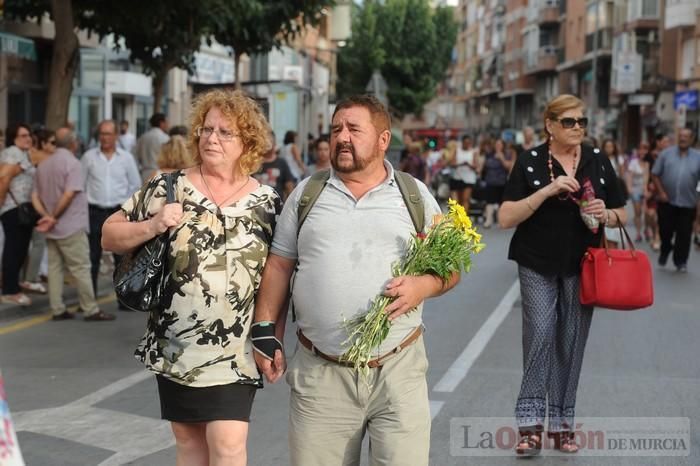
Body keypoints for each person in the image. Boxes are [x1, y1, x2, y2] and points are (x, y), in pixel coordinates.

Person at [253, 95, 459, 466]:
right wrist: (265, 329)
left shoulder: (413, 195)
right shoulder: (307, 194)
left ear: (383, 140)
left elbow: (452, 266)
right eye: (336, 130)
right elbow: (280, 265)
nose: (342, 137)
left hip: (398, 372)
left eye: (353, 129)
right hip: (321, 374)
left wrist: (423, 286)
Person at [102, 88, 280, 466]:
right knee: (189, 446)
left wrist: (271, 336)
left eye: (224, 132)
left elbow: (277, 276)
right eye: (206, 129)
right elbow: (109, 234)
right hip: (176, 345)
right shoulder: (169, 187)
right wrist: (153, 224)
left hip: (235, 349)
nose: (211, 138)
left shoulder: (266, 202)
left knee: (229, 444)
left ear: (247, 141)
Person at [498, 94, 626, 456]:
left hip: (583, 263)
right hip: (536, 260)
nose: (577, 128)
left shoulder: (597, 160)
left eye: (582, 122)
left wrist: (607, 214)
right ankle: (530, 426)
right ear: (549, 125)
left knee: (570, 341)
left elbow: (623, 213)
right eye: (569, 122)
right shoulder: (531, 161)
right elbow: (506, 216)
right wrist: (547, 190)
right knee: (539, 332)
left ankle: (563, 426)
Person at [31, 128, 115, 321]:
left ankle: (57, 309)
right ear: (73, 143)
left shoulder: (43, 165)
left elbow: (34, 195)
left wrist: (46, 216)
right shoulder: (73, 163)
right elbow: (70, 194)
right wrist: (53, 216)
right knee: (81, 268)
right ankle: (91, 309)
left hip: (51, 228)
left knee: (55, 268)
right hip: (70, 225)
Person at [81, 120, 141, 298]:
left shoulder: (126, 158)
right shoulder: (89, 157)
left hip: (118, 212)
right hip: (95, 212)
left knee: (121, 258)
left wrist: (126, 209)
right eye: (102, 134)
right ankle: (90, 299)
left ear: (115, 136)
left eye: (108, 134)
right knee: (92, 257)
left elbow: (135, 184)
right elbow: (81, 185)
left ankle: (123, 299)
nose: (104, 137)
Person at [652, 127, 700, 273]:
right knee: (665, 230)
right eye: (681, 136)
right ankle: (665, 249)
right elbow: (655, 174)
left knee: (684, 233)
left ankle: (681, 261)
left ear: (692, 139)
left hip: (688, 202)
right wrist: (661, 192)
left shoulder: (698, 157)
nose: (683, 138)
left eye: (686, 136)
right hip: (667, 201)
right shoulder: (666, 154)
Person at [0, 123, 37, 306]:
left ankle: (13, 285)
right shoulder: (12, 152)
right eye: (23, 135)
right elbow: (4, 177)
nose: (28, 138)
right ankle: (9, 290)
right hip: (12, 208)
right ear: (13, 138)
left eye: (29, 135)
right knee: (13, 250)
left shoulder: (24, 153)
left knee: (21, 248)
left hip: (23, 208)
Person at [22, 128, 56, 294]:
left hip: (35, 206)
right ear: (43, 143)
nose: (54, 146)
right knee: (37, 244)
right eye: (52, 142)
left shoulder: (32, 155)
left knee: (30, 244)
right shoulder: (36, 155)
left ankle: (30, 277)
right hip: (34, 206)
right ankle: (29, 279)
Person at [481, 138, 514, 228]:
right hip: (490, 181)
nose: (498, 146)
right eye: (496, 144)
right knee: (489, 202)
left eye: (500, 144)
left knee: (501, 203)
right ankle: (488, 220)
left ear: (503, 146)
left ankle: (500, 221)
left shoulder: (507, 155)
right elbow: (485, 166)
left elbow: (508, 166)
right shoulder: (489, 154)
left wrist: (501, 158)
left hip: (502, 182)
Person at [253, 131, 295, 200]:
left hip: (277, 208)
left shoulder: (281, 163)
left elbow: (289, 186)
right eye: (265, 141)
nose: (267, 144)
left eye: (269, 141)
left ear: (275, 143)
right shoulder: (253, 163)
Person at [625, 141, 650, 242]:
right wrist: (629, 188)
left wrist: (645, 189)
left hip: (644, 189)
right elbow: (629, 177)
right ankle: (639, 233)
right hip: (635, 189)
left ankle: (646, 229)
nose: (643, 151)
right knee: (638, 212)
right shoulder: (633, 162)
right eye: (641, 149)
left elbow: (646, 177)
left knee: (646, 211)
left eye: (645, 149)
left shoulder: (647, 163)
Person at [135, 113, 169, 181]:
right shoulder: (165, 138)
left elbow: (135, 155)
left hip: (144, 173)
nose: (168, 124)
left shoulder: (142, 137)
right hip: (160, 174)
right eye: (166, 122)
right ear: (161, 123)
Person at [448, 135, 478, 212]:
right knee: (455, 201)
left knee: (465, 199)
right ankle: (455, 218)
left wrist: (469, 165)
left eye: (468, 143)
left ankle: (463, 219)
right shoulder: (457, 151)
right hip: (457, 177)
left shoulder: (473, 152)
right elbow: (451, 163)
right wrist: (460, 164)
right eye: (465, 142)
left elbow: (476, 165)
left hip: (468, 179)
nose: (466, 144)